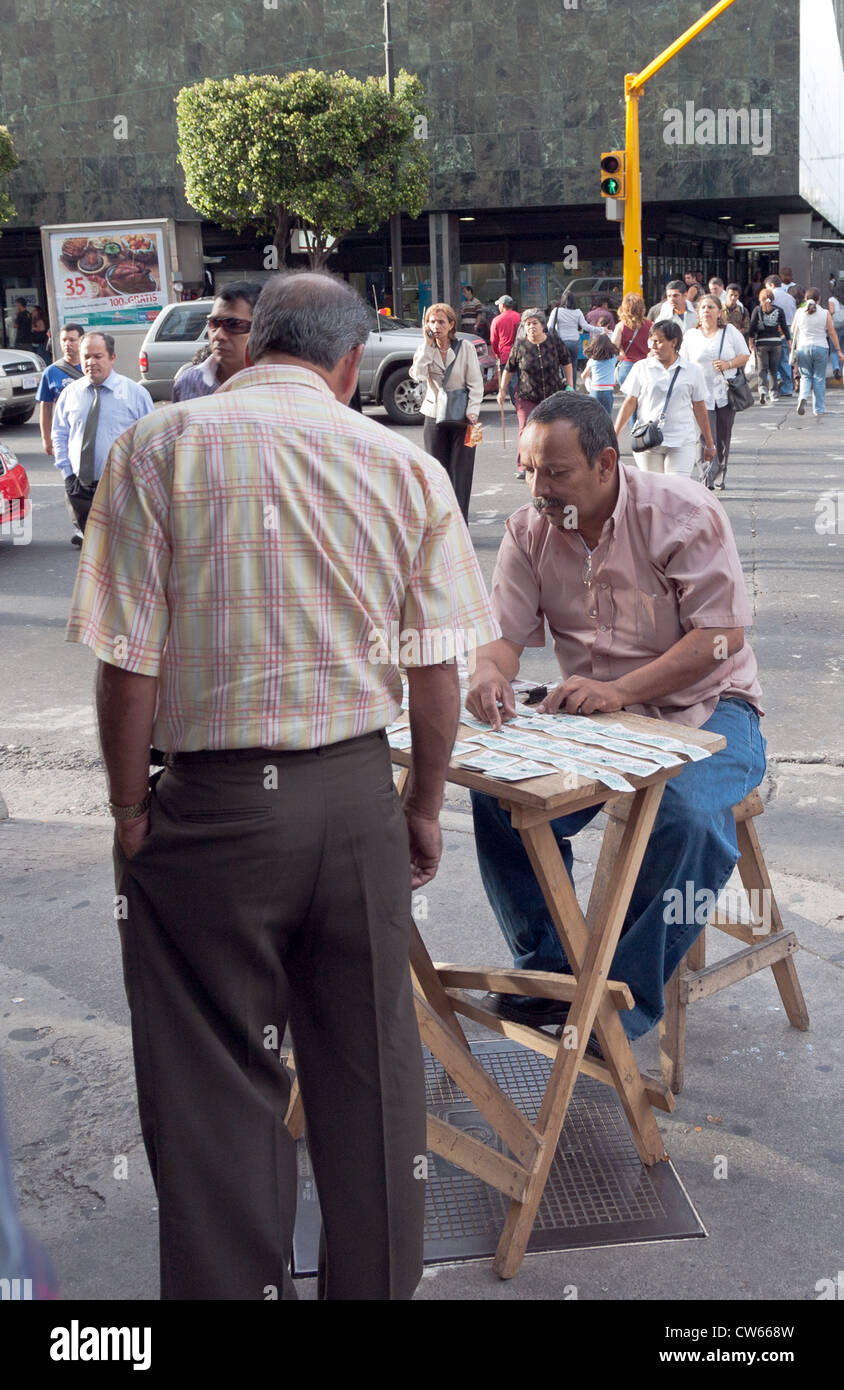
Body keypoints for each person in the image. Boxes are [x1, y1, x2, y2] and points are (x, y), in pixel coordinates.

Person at [64, 270, 501, 1301]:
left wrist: (131, 810)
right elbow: (434, 671)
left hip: (208, 808)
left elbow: (128, 661)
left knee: (213, 1083)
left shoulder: (156, 450)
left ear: (251, 341)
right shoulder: (402, 469)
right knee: (374, 1080)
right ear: (351, 364)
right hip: (354, 799)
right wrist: (421, 805)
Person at [464, 391, 765, 1042]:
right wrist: (488, 675)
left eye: (555, 472)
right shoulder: (529, 530)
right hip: (593, 713)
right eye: (528, 470)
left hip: (713, 707)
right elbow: (503, 640)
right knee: (496, 793)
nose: (538, 488)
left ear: (606, 463)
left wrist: (623, 689)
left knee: (687, 819)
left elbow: (721, 638)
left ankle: (615, 1007)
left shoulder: (683, 511)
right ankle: (549, 972)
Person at [52, 332, 154, 545]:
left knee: (123, 549)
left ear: (112, 358)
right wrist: (68, 475)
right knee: (92, 552)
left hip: (121, 488)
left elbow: (149, 440)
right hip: (81, 487)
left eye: (98, 356)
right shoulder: (70, 394)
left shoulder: (135, 394)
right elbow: (60, 434)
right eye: (86, 356)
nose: (91, 362)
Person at [409, 300, 483, 522]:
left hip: (464, 417)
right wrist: (427, 345)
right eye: (432, 321)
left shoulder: (465, 348)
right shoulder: (426, 348)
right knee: (436, 472)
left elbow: (476, 384)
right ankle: (441, 521)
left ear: (452, 324)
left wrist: (473, 411)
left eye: (441, 321)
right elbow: (417, 374)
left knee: (462, 472)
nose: (436, 326)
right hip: (434, 414)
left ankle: (461, 523)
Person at [614, 319, 715, 478]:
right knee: (653, 491)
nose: (653, 346)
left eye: (658, 342)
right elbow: (630, 402)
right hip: (648, 441)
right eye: (651, 341)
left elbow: (699, 407)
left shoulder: (692, 371)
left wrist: (709, 443)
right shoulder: (642, 367)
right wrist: (615, 433)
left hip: (682, 440)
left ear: (673, 342)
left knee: (676, 488)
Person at [681, 294, 750, 489]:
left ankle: (720, 472)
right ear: (698, 312)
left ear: (719, 312)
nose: (706, 311)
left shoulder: (730, 332)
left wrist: (728, 363)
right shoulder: (691, 336)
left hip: (725, 393)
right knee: (703, 436)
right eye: (703, 307)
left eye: (711, 307)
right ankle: (706, 477)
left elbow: (745, 355)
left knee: (723, 436)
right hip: (699, 395)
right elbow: (683, 363)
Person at [498, 308, 572, 479]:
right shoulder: (520, 345)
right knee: (526, 429)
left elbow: (566, 362)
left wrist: (570, 384)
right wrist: (502, 390)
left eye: (534, 323)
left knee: (554, 429)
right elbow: (509, 369)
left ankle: (553, 463)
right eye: (527, 324)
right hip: (527, 395)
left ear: (542, 325)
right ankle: (524, 465)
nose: (531, 327)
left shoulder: (554, 341)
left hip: (553, 394)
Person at [172, 281, 263, 401]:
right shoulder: (188, 383)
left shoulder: (275, 385)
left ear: (261, 328)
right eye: (213, 323)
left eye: (233, 324)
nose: (219, 335)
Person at [791, 287, 842, 418]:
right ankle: (818, 408)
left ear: (805, 299)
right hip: (821, 347)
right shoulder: (825, 313)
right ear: (819, 299)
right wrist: (838, 350)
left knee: (805, 377)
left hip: (803, 347)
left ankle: (802, 397)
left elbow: (792, 329)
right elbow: (831, 332)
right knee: (819, 378)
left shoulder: (799, 312)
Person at [37, 323, 84, 456]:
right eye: (64, 340)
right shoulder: (51, 371)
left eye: (72, 340)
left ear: (82, 341)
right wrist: (46, 439)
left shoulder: (92, 368)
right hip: (66, 434)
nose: (67, 344)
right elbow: (45, 406)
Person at [748, 287, 788, 404]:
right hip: (776, 343)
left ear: (761, 298)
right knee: (773, 370)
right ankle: (774, 393)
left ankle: (762, 391)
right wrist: (789, 340)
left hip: (762, 343)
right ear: (772, 299)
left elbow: (752, 328)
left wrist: (751, 342)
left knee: (762, 369)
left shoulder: (757, 310)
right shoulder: (779, 310)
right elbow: (784, 327)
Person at [548, 292, 591, 383]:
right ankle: (572, 389)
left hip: (562, 342)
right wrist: (601, 330)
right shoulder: (578, 312)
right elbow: (585, 326)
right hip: (575, 342)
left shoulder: (556, 311)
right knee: (573, 367)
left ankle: (565, 388)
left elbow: (550, 327)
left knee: (563, 366)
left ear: (562, 300)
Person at [764, 275, 795, 396]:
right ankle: (787, 388)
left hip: (774, 330)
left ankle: (775, 379)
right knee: (784, 360)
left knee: (770, 359)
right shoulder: (790, 297)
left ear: (771, 285)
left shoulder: (771, 297)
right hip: (788, 329)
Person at [490, 295, 521, 405]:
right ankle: (524, 403)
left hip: (506, 354)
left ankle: (517, 404)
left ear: (502, 306)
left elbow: (493, 340)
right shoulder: (519, 317)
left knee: (511, 381)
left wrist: (497, 353)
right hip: (522, 353)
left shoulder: (497, 320)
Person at [580, 332, 618, 415]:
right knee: (607, 416)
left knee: (594, 416)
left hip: (595, 390)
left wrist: (587, 379)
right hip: (608, 390)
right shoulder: (613, 358)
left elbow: (583, 375)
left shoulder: (592, 361)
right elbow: (622, 355)